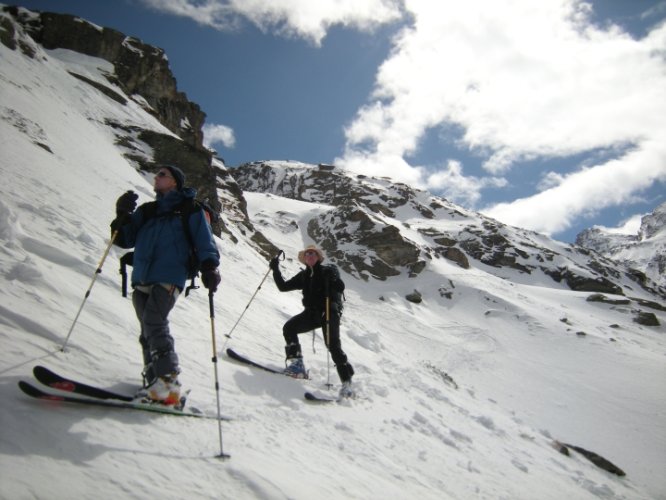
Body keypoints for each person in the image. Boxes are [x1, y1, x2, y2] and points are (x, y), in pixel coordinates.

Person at [111, 165, 220, 406]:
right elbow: (123, 240)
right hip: (142, 277)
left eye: (163, 174)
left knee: (154, 322)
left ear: (175, 183)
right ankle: (154, 383)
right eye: (157, 174)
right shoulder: (147, 211)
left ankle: (168, 383)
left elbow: (204, 239)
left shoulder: (190, 209)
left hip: (170, 275)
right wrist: (122, 214)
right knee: (147, 331)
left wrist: (210, 266)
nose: (156, 177)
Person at [270, 245, 355, 398]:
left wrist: (334, 279)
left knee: (333, 345)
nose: (309, 255)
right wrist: (275, 270)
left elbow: (340, 287)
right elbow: (283, 287)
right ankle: (297, 366)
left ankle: (347, 383)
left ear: (318, 257)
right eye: (307, 253)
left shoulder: (326, 272)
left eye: (313, 253)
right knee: (289, 328)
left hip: (329, 312)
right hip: (312, 313)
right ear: (305, 258)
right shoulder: (304, 276)